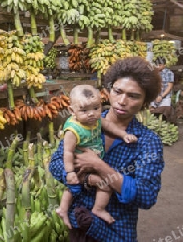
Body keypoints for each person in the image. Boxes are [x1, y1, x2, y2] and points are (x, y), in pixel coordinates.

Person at [49, 57, 165, 241]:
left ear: (145, 101)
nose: (121, 101)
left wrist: (100, 166)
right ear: (108, 91)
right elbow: (55, 163)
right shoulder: (82, 125)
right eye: (117, 91)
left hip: (115, 231)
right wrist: (88, 179)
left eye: (133, 96)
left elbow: (146, 195)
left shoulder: (147, 142)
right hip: (79, 223)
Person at [57, 84, 138, 230]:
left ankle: (66, 209)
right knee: (96, 185)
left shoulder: (96, 120)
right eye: (84, 110)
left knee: (76, 188)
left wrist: (123, 134)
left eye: (96, 108)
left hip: (94, 164)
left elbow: (109, 126)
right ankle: (95, 209)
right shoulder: (72, 130)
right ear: (71, 110)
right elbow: (67, 152)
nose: (91, 114)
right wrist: (69, 172)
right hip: (78, 165)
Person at [150, 57, 174, 122]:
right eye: (157, 64)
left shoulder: (169, 73)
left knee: (164, 116)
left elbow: (169, 87)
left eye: (160, 65)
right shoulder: (154, 73)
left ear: (164, 65)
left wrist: (161, 96)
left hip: (165, 98)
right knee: (154, 116)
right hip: (155, 97)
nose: (158, 66)